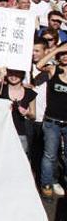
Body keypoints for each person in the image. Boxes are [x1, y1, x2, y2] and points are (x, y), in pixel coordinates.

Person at [35, 41, 67, 199]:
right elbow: (39, 65)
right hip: (52, 122)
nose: (65, 57)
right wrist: (57, 50)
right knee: (50, 155)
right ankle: (46, 184)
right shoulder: (53, 69)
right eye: (63, 54)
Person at [0, 67, 36, 154]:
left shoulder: (30, 92)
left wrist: (26, 113)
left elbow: (33, 116)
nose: (13, 76)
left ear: (22, 74)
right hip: (2, 133)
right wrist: (0, 78)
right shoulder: (2, 89)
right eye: (11, 73)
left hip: (20, 133)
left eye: (17, 73)